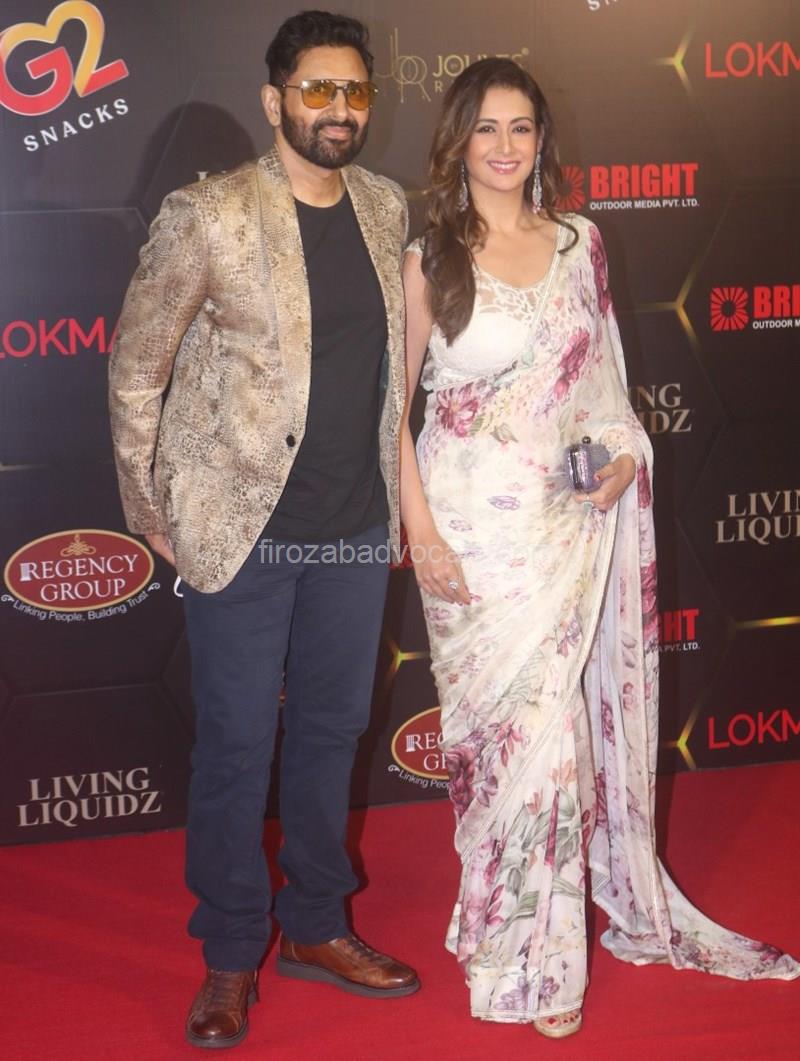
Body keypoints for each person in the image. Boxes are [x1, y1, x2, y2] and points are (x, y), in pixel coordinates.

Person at [400, 57, 799, 1038]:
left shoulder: (580, 245)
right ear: (458, 142)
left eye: (520, 127)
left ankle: (541, 963)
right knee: (497, 747)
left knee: (553, 739)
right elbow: (389, 411)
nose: (504, 146)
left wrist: (621, 458)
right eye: (486, 128)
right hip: (467, 535)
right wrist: (419, 529)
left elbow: (606, 397)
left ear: (541, 139)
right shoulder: (429, 258)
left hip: (561, 528)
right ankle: (501, 927)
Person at [109, 10, 418, 1051]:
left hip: (353, 530)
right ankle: (233, 950)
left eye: (354, 91)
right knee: (238, 749)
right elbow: (137, 366)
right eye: (318, 89)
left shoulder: (384, 206)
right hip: (240, 532)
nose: (339, 109)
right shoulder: (209, 214)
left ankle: (318, 924)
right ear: (274, 98)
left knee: (331, 734)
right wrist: (150, 510)